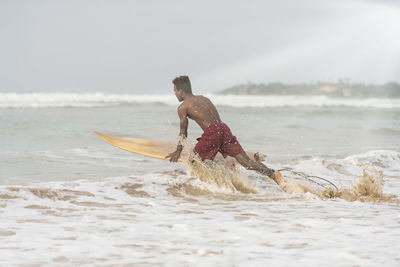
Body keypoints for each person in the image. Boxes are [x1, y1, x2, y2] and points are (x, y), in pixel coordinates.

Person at [166, 75, 284, 188]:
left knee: (193, 161)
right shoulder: (205, 99)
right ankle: (273, 174)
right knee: (247, 163)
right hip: (223, 128)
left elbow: (183, 132)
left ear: (181, 91)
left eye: (175, 91)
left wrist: (178, 151)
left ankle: (211, 187)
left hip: (212, 133)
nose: (175, 94)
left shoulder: (183, 107)